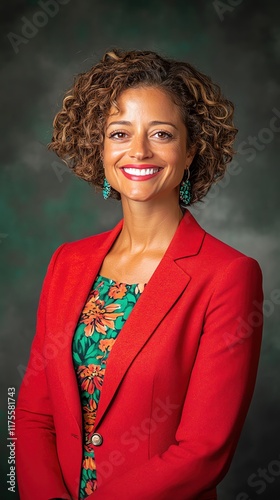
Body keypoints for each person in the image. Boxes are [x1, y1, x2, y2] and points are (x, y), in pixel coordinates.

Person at [15, 49, 263, 500]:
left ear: (191, 150)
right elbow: (32, 416)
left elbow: (204, 450)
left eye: (162, 133)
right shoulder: (66, 263)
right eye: (119, 133)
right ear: (101, 149)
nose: (139, 151)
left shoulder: (229, 276)